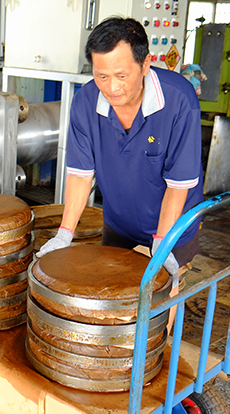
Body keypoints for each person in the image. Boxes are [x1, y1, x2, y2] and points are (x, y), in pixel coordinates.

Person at [37, 16, 204, 292]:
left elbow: (178, 185)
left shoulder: (178, 100)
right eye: (101, 76)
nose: (112, 88)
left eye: (122, 76)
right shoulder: (85, 102)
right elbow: (80, 175)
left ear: (146, 64)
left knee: (162, 293)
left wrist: (161, 243)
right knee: (112, 292)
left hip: (173, 225)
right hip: (120, 221)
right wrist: (64, 233)